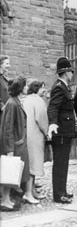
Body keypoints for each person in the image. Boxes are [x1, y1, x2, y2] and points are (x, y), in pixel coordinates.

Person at [47, 57, 76, 204]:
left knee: (63, 163)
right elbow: (53, 107)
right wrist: (52, 123)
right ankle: (59, 195)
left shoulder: (64, 86)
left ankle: (62, 191)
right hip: (61, 132)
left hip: (65, 131)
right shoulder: (59, 87)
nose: (72, 74)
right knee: (60, 163)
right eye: (71, 71)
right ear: (66, 73)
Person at [0, 76, 30, 211]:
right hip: (14, 144)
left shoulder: (16, 101)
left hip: (17, 143)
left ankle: (7, 200)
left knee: (12, 172)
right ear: (20, 88)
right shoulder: (12, 103)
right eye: (25, 85)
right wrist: (9, 149)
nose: (27, 88)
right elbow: (8, 128)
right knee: (9, 171)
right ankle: (5, 201)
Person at [23, 80, 49, 201]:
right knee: (33, 166)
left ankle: (32, 191)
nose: (44, 91)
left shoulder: (26, 99)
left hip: (27, 135)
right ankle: (29, 193)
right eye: (43, 88)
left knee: (30, 165)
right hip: (35, 136)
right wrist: (47, 132)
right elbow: (42, 119)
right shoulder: (38, 101)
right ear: (37, 88)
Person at [0, 55, 10, 120]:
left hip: (6, 114)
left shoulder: (4, 79)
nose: (9, 66)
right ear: (0, 65)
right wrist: (1, 105)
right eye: (7, 64)